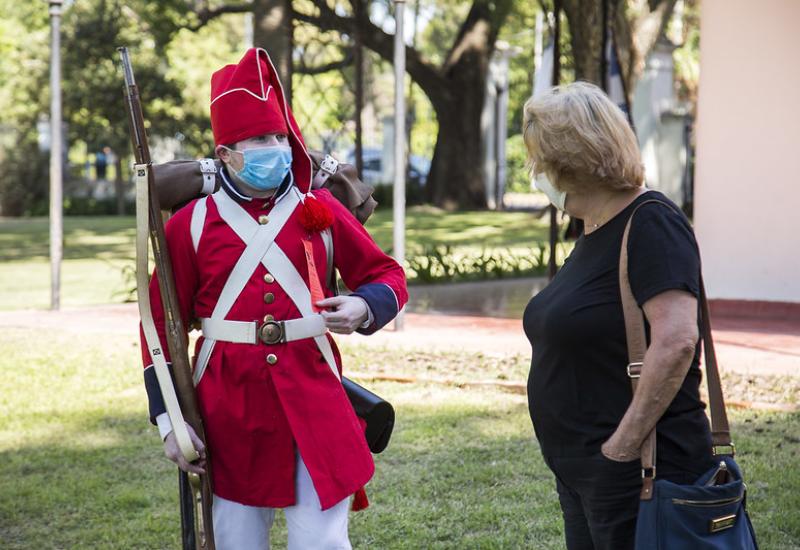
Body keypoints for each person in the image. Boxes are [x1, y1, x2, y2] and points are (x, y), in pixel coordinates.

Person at [139, 47, 408, 549]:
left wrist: (364, 305)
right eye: (261, 139)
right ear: (226, 154)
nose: (276, 148)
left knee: (322, 544)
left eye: (281, 136)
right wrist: (170, 421)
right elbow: (155, 326)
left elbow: (386, 273)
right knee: (236, 540)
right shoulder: (190, 225)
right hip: (227, 407)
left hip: (316, 396)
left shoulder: (319, 208)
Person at [521, 82, 715, 550]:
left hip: (641, 471)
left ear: (570, 161)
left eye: (538, 159)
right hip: (588, 474)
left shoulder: (651, 222)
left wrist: (620, 449)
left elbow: (677, 341)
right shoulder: (595, 231)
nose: (534, 171)